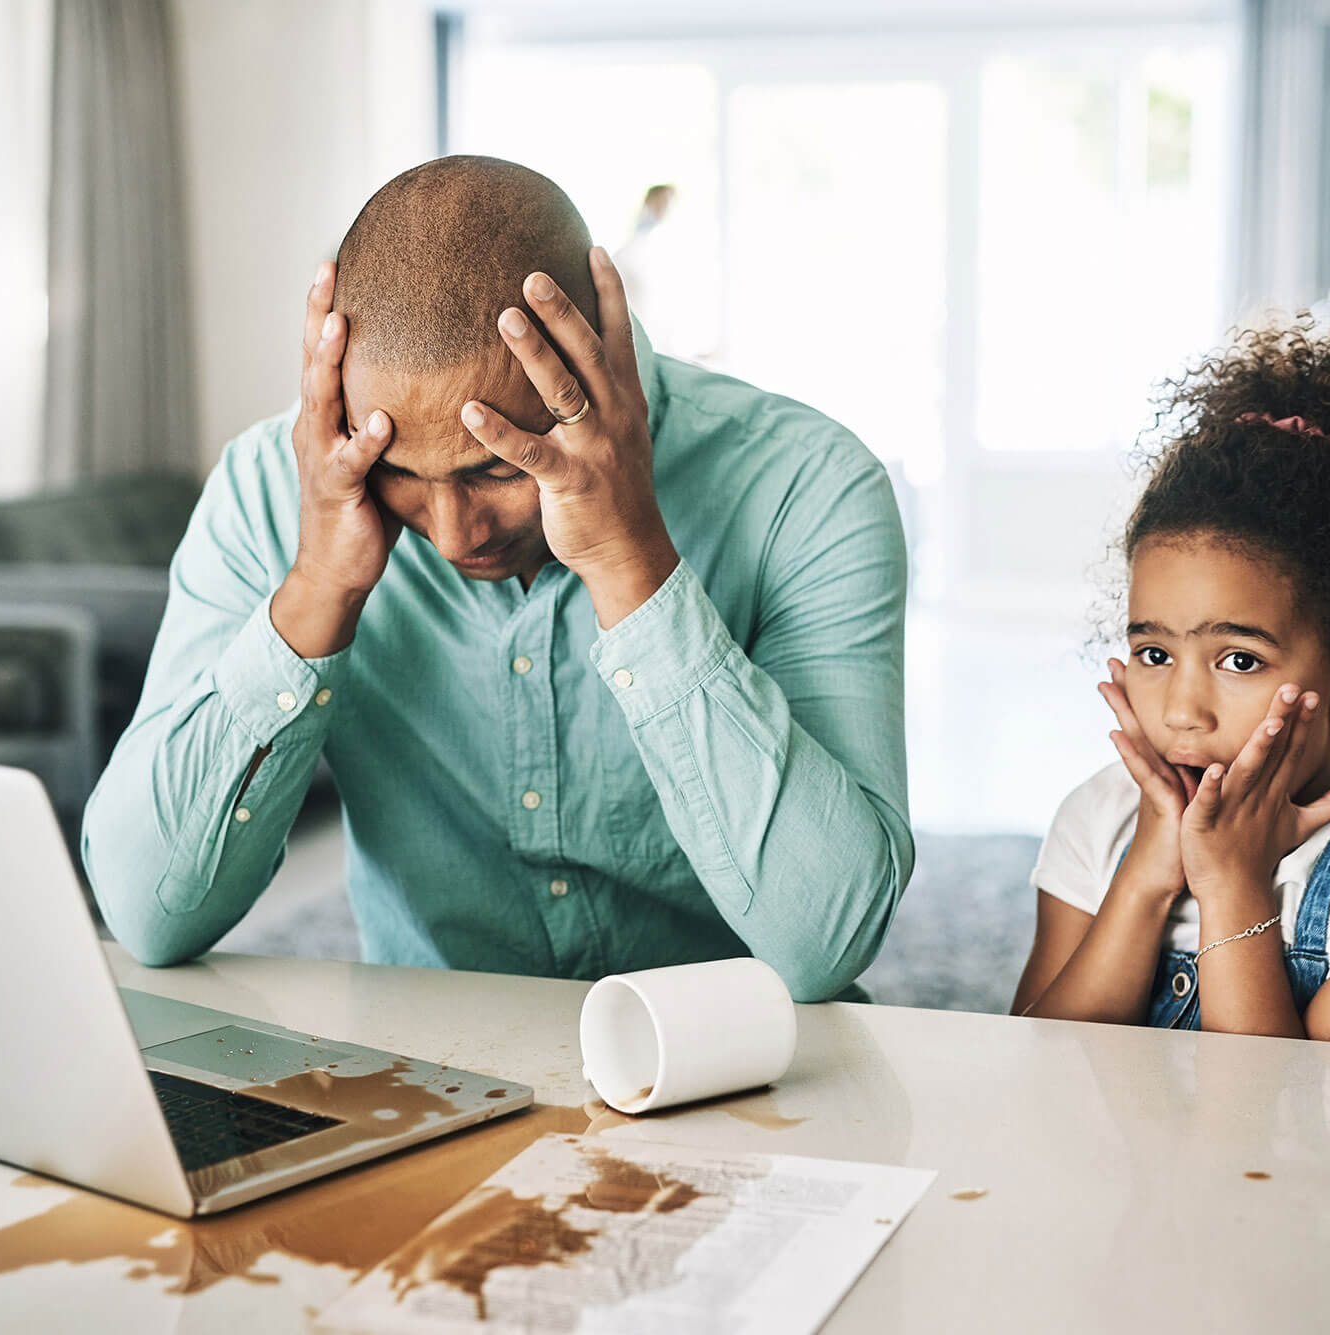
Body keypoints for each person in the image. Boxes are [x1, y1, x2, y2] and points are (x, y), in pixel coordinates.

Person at [81, 157, 911, 1002]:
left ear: (597, 358)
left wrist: (631, 564)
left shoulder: (808, 484)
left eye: (498, 470)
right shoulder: (269, 488)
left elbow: (828, 942)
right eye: (400, 472)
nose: (451, 534)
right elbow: (146, 913)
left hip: (748, 1067)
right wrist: (318, 587)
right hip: (437, 1079)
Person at [1013, 323, 1330, 1044]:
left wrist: (1231, 885)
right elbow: (1036, 1067)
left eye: (1238, 659)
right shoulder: (1100, 820)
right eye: (1153, 653)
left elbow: (1293, 1135)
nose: (1181, 712)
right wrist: (1146, 874)